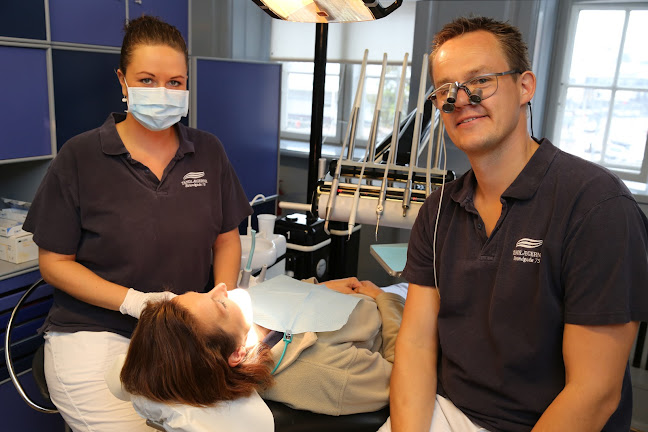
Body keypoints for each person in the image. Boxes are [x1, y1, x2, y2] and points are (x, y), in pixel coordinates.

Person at [385, 16, 648, 432]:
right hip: (451, 414)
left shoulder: (597, 206)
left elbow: (594, 394)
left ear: (525, 86)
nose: (461, 99)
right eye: (445, 89)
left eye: (481, 81)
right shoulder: (438, 212)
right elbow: (416, 344)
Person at [22, 16, 251, 432]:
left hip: (186, 337)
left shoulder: (208, 152)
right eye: (147, 80)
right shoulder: (80, 158)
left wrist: (223, 302)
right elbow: (54, 263)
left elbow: (226, 239)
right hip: (97, 333)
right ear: (123, 82)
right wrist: (135, 302)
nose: (163, 92)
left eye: (176, 82)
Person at [106, 278, 404, 430]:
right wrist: (385, 299)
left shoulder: (243, 323)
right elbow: (405, 373)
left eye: (207, 292)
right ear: (236, 355)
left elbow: (292, 311)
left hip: (355, 298)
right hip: (398, 317)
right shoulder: (326, 372)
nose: (222, 287)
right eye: (220, 304)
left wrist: (323, 289)